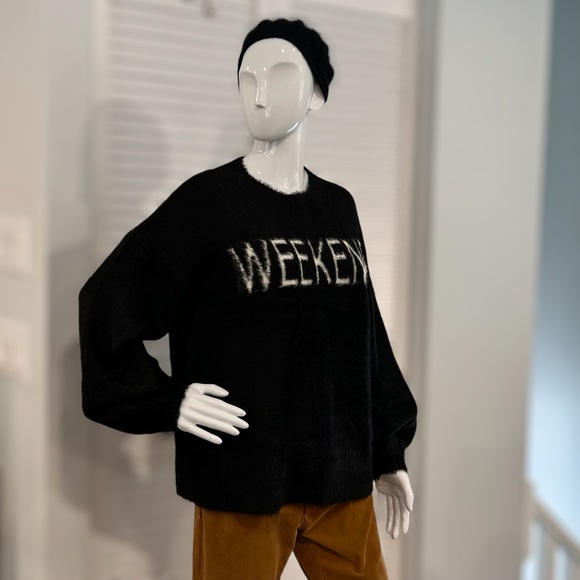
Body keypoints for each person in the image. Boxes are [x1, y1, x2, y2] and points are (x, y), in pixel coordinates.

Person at [79, 17, 417, 580]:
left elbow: (364, 336)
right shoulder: (206, 205)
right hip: (243, 482)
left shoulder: (338, 207)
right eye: (247, 78)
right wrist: (165, 399)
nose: (259, 94)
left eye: (281, 76)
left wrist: (387, 449)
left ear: (317, 95)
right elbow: (108, 300)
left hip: (340, 477)